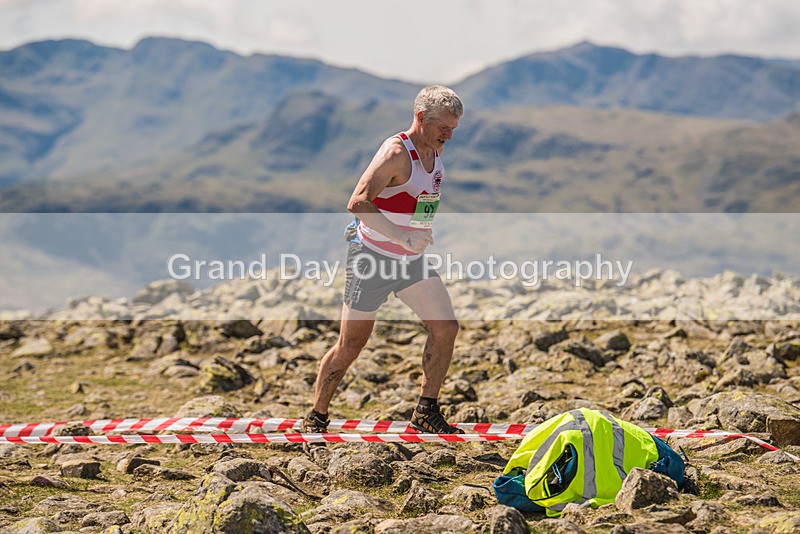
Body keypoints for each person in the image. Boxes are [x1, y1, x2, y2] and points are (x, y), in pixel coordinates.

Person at [304, 85, 465, 434]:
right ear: (421, 117)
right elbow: (358, 203)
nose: (449, 136)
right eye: (443, 127)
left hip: (409, 260)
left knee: (446, 328)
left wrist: (417, 232)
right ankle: (316, 415)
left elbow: (417, 199)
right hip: (371, 258)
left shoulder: (435, 149)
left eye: (453, 129)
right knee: (351, 345)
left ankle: (426, 410)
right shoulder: (395, 153)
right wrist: (403, 236)